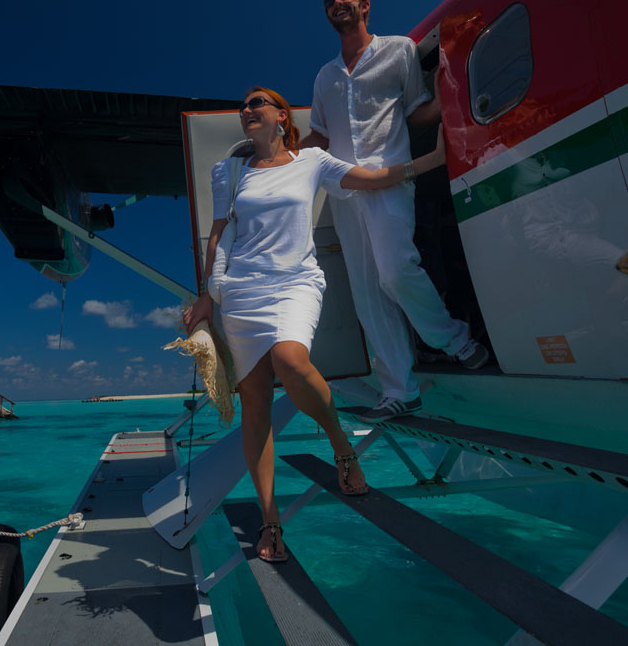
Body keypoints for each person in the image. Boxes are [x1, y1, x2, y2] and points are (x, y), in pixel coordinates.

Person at [183, 86, 448, 563]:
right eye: (244, 106)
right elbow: (220, 232)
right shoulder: (231, 171)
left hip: (295, 283)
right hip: (242, 292)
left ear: (282, 117)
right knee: (256, 408)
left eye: (257, 103)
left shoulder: (312, 161)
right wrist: (207, 294)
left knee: (290, 358)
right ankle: (271, 520)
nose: (247, 111)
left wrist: (428, 162)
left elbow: (368, 178)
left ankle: (340, 444)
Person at [301, 0, 488, 423]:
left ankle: (454, 339)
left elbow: (415, 112)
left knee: (395, 270)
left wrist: (455, 98)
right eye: (330, 0)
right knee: (367, 295)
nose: (337, 3)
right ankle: (400, 391)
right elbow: (321, 137)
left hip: (389, 180)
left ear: (365, 5)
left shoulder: (399, 50)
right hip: (344, 191)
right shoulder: (325, 76)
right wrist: (276, 158)